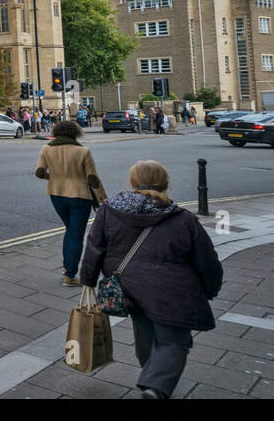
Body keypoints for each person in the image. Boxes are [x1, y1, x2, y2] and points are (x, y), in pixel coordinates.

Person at [80, 160, 223, 399]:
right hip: (173, 290)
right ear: (165, 184)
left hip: (128, 285)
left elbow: (95, 247)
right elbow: (206, 259)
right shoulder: (182, 218)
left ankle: (151, 379)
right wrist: (210, 288)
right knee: (174, 341)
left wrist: (88, 279)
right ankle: (154, 388)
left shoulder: (109, 209)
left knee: (144, 331)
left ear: (133, 182)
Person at [35, 120, 108, 286]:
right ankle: (69, 275)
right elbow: (93, 178)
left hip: (56, 194)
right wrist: (103, 200)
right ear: (75, 133)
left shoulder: (47, 148)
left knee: (70, 229)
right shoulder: (83, 151)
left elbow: (39, 172)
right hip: (79, 195)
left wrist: (52, 178)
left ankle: (67, 266)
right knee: (76, 235)